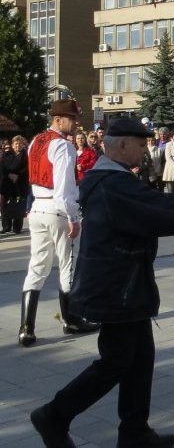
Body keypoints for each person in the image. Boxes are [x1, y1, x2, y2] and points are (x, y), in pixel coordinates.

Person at [28, 117, 174, 448]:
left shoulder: (115, 179)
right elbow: (161, 211)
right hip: (116, 287)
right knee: (116, 361)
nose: (145, 152)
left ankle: (135, 432)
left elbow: (156, 204)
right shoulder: (114, 184)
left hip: (126, 284)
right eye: (140, 146)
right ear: (122, 145)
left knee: (140, 359)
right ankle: (54, 416)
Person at [20, 99, 101, 348]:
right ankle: (71, 320)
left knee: (37, 266)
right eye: (71, 119)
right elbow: (64, 188)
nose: (76, 124)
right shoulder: (63, 146)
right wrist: (73, 218)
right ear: (58, 120)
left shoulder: (36, 141)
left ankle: (26, 328)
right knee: (68, 265)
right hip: (57, 209)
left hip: (37, 208)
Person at [1, 135, 29, 234]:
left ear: (23, 145)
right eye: (16, 143)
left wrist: (18, 175)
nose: (18, 145)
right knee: (5, 206)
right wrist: (9, 174)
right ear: (12, 145)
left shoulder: (27, 156)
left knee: (19, 205)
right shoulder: (6, 154)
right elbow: (2, 167)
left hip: (20, 183)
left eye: (20, 143)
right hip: (7, 183)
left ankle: (17, 227)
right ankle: (6, 226)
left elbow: (27, 168)